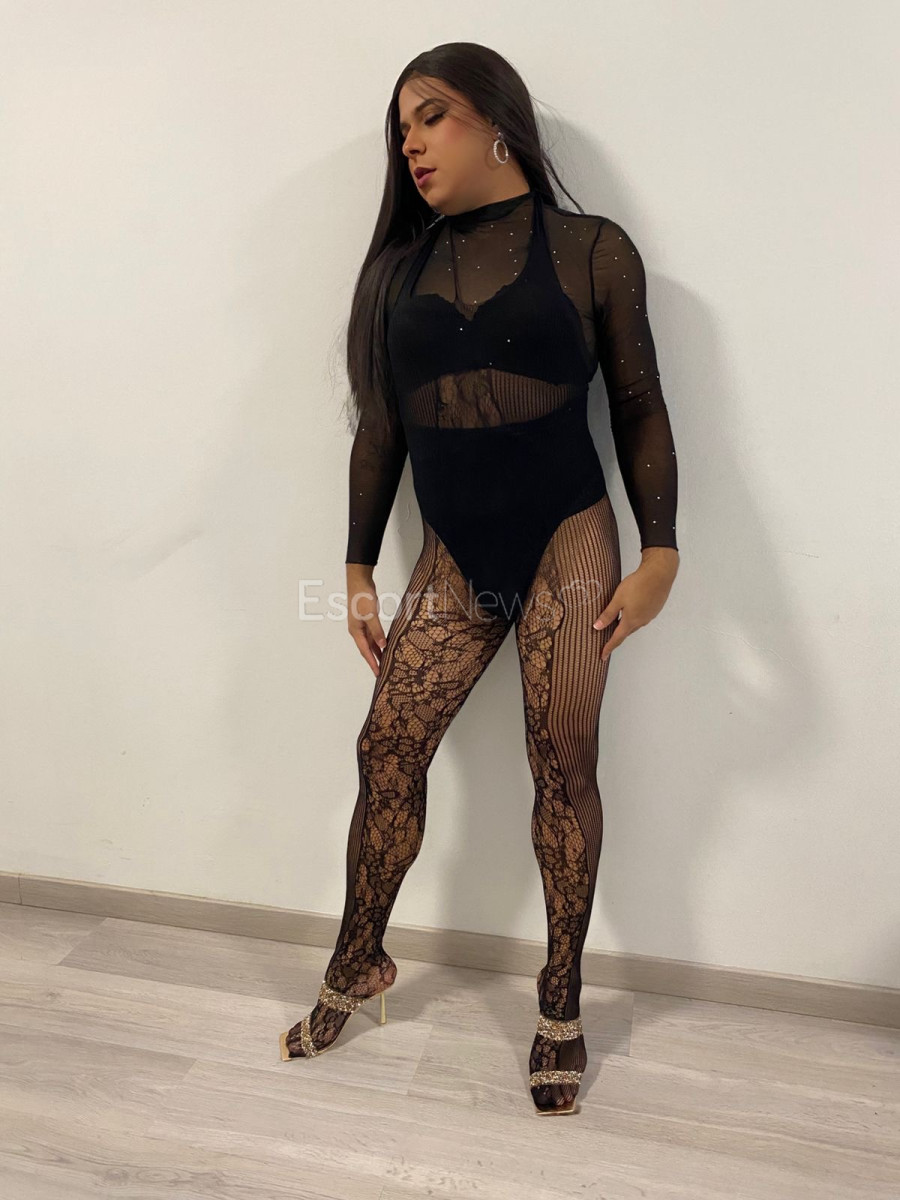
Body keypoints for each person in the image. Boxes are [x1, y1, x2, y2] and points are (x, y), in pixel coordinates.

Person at [279, 42, 679, 1117]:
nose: (411, 142)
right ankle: (359, 959)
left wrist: (662, 551)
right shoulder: (397, 272)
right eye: (401, 126)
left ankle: (561, 1001)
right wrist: (356, 565)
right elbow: (380, 430)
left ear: (498, 122)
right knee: (386, 749)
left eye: (433, 116)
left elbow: (639, 406)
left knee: (562, 764)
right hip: (456, 555)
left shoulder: (593, 249)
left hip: (567, 539)